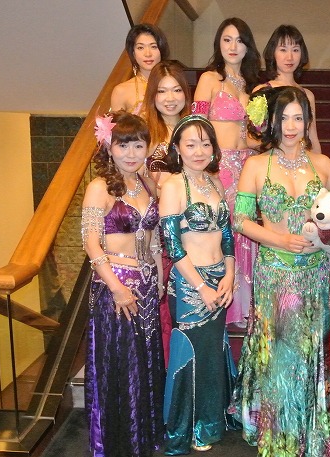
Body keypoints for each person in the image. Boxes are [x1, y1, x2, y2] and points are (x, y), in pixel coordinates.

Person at [231, 86, 330, 456]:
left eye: (298, 118)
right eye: (283, 117)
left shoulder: (322, 164)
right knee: (279, 354)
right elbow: (240, 220)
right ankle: (279, 438)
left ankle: (306, 432)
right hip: (274, 272)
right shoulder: (256, 165)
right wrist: (279, 240)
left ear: (307, 121)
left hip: (314, 273)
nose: (290, 125)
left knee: (306, 352)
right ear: (271, 121)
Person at [82, 111, 165, 456]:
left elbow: (154, 239)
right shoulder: (99, 187)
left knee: (145, 362)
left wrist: (159, 277)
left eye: (138, 145)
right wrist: (116, 288)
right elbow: (91, 243)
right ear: (109, 147)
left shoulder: (147, 184)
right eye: (123, 145)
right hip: (115, 286)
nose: (131, 153)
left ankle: (141, 439)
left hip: (146, 284)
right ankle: (118, 445)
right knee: (121, 365)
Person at [159, 115, 238, 454]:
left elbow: (227, 235)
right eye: (190, 144)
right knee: (192, 352)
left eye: (205, 144)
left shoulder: (214, 182)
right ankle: (187, 427)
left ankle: (210, 421)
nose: (199, 151)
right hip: (190, 283)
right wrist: (201, 286)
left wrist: (230, 275)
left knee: (212, 353)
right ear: (177, 148)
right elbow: (172, 246)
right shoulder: (173, 186)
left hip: (220, 277)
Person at [192, 17, 261, 327]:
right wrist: (203, 166)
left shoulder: (250, 85)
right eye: (227, 40)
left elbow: (248, 133)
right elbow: (197, 126)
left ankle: (242, 306)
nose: (233, 46)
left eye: (240, 40)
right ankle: (218, 299)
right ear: (218, 44)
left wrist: (262, 145)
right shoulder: (210, 79)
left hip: (246, 164)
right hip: (218, 167)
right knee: (221, 229)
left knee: (244, 228)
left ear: (248, 47)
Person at [141, 59, 191, 367]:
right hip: (159, 229)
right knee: (162, 303)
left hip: (192, 226)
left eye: (176, 90)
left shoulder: (196, 129)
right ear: (153, 95)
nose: (170, 98)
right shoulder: (145, 134)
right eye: (162, 91)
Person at [257, 24, 321, 153]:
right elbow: (252, 138)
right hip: (272, 160)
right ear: (273, 52)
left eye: (295, 50)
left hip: (301, 161)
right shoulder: (263, 91)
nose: (290, 57)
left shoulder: (308, 95)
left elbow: (312, 138)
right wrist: (287, 147)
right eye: (283, 50)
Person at [111, 23, 170, 114]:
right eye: (140, 48)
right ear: (133, 53)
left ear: (161, 50)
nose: (148, 54)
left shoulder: (175, 84)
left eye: (153, 47)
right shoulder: (121, 91)